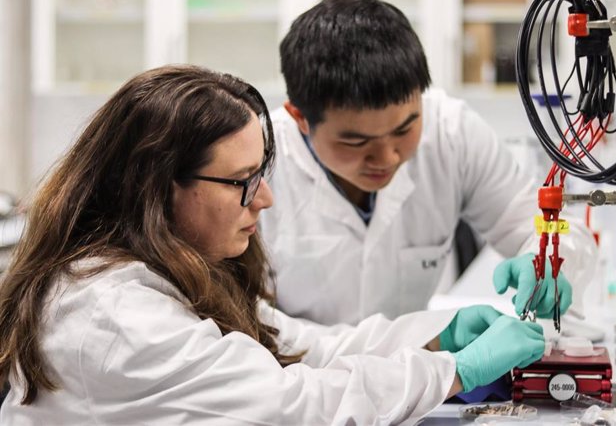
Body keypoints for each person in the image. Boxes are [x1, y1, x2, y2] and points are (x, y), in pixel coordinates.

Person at [0, 65, 545, 424]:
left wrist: (436, 334)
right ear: (158, 187)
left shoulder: (166, 272)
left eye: (261, 173)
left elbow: (299, 344)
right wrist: (455, 371)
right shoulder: (114, 314)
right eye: (241, 182)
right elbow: (291, 406)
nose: (264, 199)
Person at [261, 0, 597, 326]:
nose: (387, 157)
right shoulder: (257, 165)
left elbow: (543, 223)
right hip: (297, 374)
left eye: (405, 128)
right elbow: (240, 324)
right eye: (357, 141)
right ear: (300, 118)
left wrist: (548, 261)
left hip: (416, 373)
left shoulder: (452, 133)